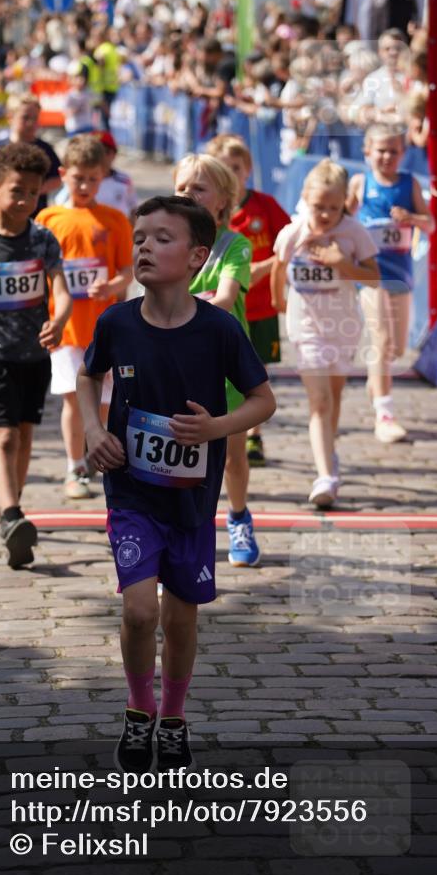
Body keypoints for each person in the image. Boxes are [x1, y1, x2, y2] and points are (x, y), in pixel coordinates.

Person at [77, 195, 275, 772]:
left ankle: (174, 715)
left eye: (161, 238)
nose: (143, 246)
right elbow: (89, 378)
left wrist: (217, 426)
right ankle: (139, 712)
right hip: (131, 491)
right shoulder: (116, 322)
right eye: (140, 236)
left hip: (192, 497)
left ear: (196, 257)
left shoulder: (217, 329)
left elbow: (264, 400)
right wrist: (93, 431)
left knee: (181, 615)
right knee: (140, 609)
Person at [0, 143, 72, 568]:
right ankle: (10, 514)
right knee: (2, 435)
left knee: (23, 437)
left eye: (34, 194)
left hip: (35, 353)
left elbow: (60, 286)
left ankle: (13, 511)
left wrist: (59, 321)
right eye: (17, 191)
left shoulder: (43, 239)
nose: (25, 201)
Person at [271, 160, 380, 508]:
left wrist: (339, 261)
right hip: (307, 329)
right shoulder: (293, 231)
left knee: (334, 397)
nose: (326, 215)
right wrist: (279, 302)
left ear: (344, 203)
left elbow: (374, 278)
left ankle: (328, 454)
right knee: (319, 402)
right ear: (305, 198)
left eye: (334, 208)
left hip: (344, 327)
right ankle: (325, 477)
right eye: (319, 206)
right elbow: (279, 265)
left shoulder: (353, 232)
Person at [174, 153, 261, 568]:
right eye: (182, 187)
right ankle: (180, 538)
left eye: (198, 188)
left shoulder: (234, 245)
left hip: (223, 363)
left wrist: (178, 307)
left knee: (230, 455)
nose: (188, 195)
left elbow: (224, 300)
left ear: (223, 201)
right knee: (177, 455)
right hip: (173, 362)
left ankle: (239, 516)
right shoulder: (164, 239)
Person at [38, 135, 133, 499]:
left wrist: (111, 286)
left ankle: (99, 457)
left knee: (105, 403)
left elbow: (127, 270)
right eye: (78, 178)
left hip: (104, 329)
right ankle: (74, 466)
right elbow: (39, 272)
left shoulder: (114, 220)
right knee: (72, 400)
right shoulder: (48, 219)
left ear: (103, 178)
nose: (85, 186)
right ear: (63, 175)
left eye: (93, 179)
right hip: (65, 327)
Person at [205, 134, 290, 466]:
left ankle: (253, 435)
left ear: (249, 170)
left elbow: (289, 243)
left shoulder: (265, 205)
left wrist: (264, 268)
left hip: (260, 307)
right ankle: (224, 428)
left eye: (236, 168)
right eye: (224, 168)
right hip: (226, 311)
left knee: (256, 373)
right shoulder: (210, 216)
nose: (232, 174)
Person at [347, 123, 435, 442]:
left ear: (403, 153)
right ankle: (384, 414)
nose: (386, 156)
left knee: (396, 347)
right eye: (380, 150)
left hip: (401, 272)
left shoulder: (409, 185)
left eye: (393, 151)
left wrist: (411, 219)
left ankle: (377, 381)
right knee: (381, 340)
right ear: (367, 151)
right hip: (370, 273)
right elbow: (342, 218)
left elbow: (431, 223)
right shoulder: (360, 182)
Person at [0, 95, 62, 213]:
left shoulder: (44, 148)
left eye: (35, 118)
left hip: (36, 213)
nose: (31, 123)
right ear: (10, 117)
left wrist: (34, 190)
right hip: (4, 212)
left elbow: (57, 178)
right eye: (25, 117)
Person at [52, 131, 139, 221]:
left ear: (114, 154)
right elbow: (61, 204)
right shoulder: (74, 183)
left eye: (106, 151)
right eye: (95, 152)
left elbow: (133, 207)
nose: (85, 186)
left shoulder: (124, 180)